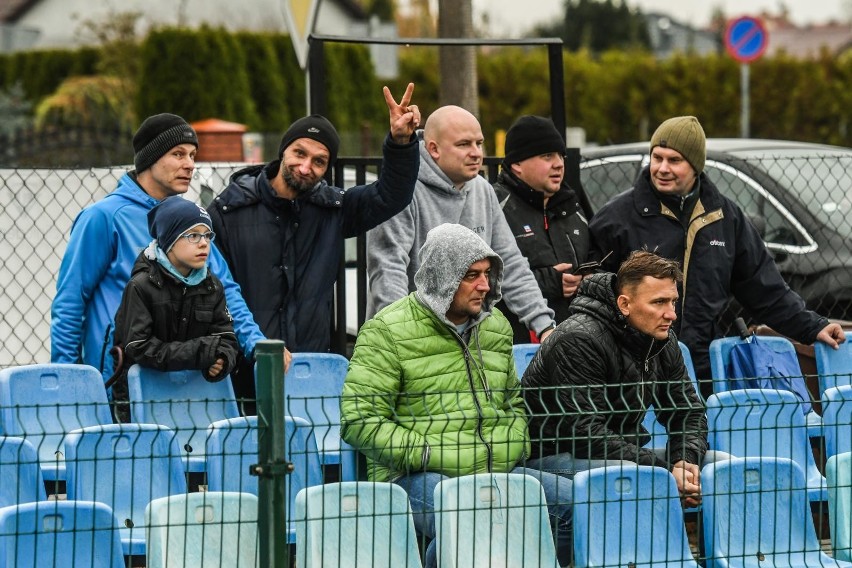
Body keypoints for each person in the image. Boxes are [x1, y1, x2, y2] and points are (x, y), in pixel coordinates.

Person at [341, 223, 572, 567]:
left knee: (577, 504)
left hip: (498, 470)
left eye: (488, 274)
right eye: (472, 275)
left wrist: (512, 442)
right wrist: (426, 452)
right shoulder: (387, 331)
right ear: (443, 277)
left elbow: (513, 401)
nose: (485, 285)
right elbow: (359, 420)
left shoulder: (496, 327)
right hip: (415, 475)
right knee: (470, 518)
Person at [588, 116, 845, 397]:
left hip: (704, 367)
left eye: (674, 160)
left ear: (696, 165)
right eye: (656, 157)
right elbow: (595, 293)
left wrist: (813, 327)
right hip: (635, 370)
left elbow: (765, 289)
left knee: (703, 438)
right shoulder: (615, 218)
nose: (662, 168)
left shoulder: (726, 216)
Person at [207, 84, 421, 401]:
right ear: (283, 151)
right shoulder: (229, 210)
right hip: (243, 370)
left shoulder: (334, 209)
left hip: (309, 370)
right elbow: (213, 288)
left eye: (319, 161)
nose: (306, 167)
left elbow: (390, 195)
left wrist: (401, 143)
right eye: (300, 153)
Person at [50, 114, 282, 396]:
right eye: (178, 154)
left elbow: (227, 291)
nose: (190, 164)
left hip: (184, 383)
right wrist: (67, 381)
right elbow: (71, 301)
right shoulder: (104, 217)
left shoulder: (190, 222)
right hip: (116, 382)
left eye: (193, 155)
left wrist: (257, 344)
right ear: (150, 159)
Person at [523, 251, 719, 508]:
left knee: (720, 464)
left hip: (624, 454)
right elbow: (585, 434)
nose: (671, 314)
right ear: (625, 304)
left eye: (673, 302)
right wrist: (663, 470)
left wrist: (685, 461)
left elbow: (687, 411)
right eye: (659, 302)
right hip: (553, 458)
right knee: (638, 476)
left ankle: (743, 549)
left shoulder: (662, 338)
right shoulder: (579, 339)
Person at [366, 105, 557, 341]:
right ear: (433, 149)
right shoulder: (402, 189)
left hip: (469, 339)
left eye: (479, 143)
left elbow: (511, 263)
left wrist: (545, 326)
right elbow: (388, 268)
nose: (476, 152)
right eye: (464, 144)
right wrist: (400, 335)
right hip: (409, 339)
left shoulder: (482, 190)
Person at [111, 196, 239, 420]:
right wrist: (201, 352)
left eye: (207, 235)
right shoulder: (141, 287)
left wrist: (222, 360)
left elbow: (226, 338)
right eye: (193, 235)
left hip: (194, 404)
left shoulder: (212, 286)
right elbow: (138, 347)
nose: (203, 243)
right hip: (141, 402)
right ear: (169, 240)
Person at [493, 115, 589, 342]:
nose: (558, 163)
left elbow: (598, 259)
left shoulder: (573, 206)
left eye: (561, 155)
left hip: (575, 340)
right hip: (516, 343)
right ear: (517, 164)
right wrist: (552, 282)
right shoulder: (495, 206)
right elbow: (485, 280)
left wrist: (587, 279)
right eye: (547, 156)